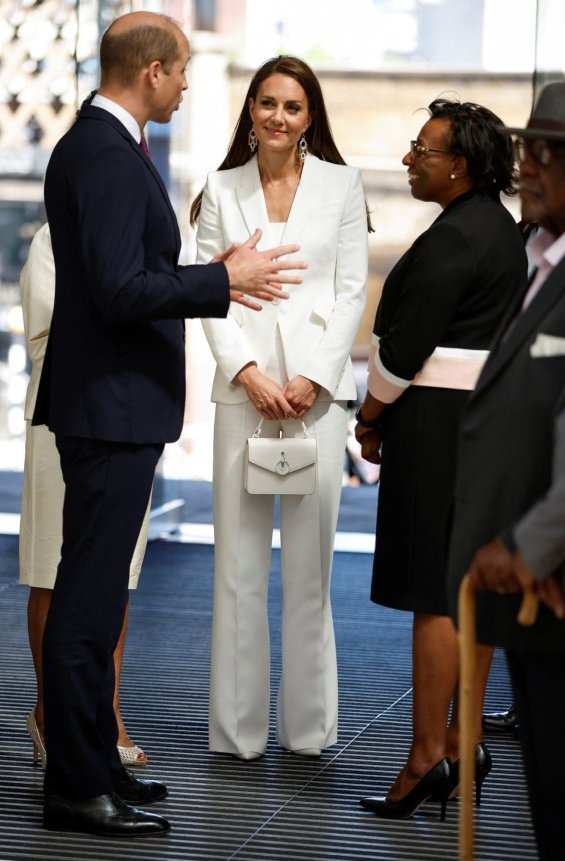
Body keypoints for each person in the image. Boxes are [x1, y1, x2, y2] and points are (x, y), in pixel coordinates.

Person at [33, 12, 306, 838]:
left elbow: (128, 274)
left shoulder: (104, 147)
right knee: (87, 605)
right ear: (149, 72)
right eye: (182, 69)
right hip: (109, 408)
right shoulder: (106, 156)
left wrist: (209, 276)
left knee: (98, 600)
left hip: (112, 406)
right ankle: (78, 784)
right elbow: (121, 289)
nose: (190, 83)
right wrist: (220, 279)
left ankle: (96, 763)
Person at [191, 55, 370, 760]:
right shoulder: (219, 185)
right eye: (265, 102)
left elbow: (351, 290)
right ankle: (236, 735)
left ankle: (308, 731)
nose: (276, 116)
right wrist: (248, 370)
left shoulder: (342, 184)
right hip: (243, 396)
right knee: (236, 571)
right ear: (250, 111)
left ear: (310, 117)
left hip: (315, 404)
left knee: (308, 572)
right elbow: (207, 291)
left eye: (291, 106)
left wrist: (315, 379)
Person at [354, 98, 527, 819]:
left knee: (435, 594)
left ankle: (427, 757)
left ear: (458, 165)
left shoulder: (456, 237)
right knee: (467, 594)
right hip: (477, 427)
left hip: (435, 429)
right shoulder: (498, 229)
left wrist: (368, 417)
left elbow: (402, 347)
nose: (408, 160)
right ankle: (458, 745)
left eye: (422, 151)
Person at [447, 81, 565, 861]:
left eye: (549, 153)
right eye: (527, 147)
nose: (528, 165)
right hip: (531, 606)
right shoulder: (538, 263)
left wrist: (529, 545)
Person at [20, 223, 150, 770]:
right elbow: (47, 332)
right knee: (53, 566)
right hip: (64, 412)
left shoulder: (146, 236)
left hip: (130, 412)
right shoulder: (55, 237)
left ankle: (107, 712)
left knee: (116, 572)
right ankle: (49, 712)